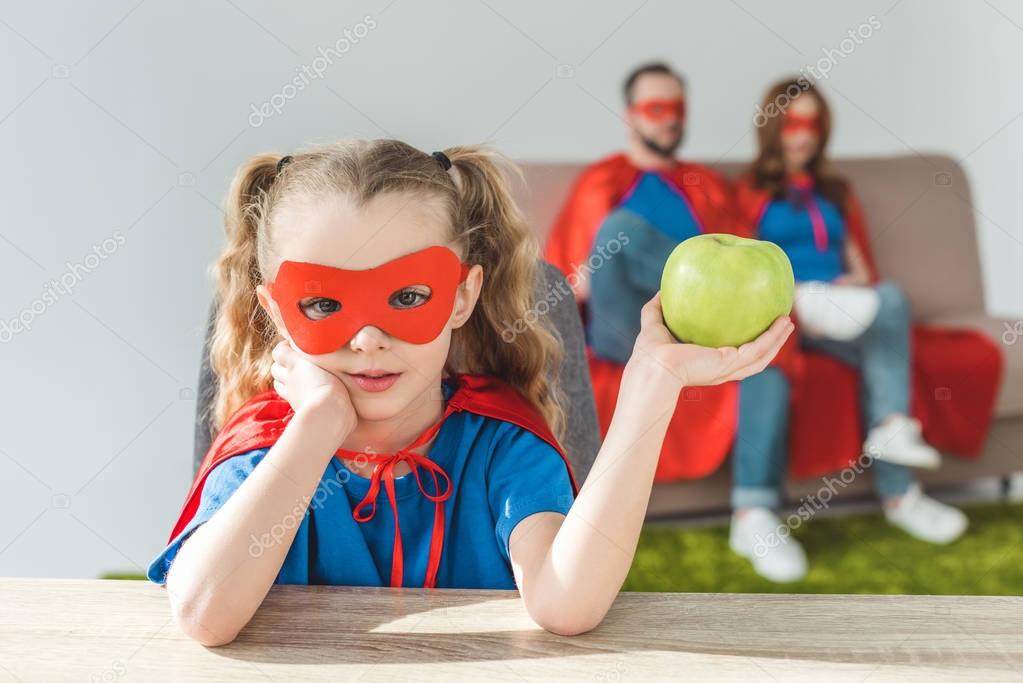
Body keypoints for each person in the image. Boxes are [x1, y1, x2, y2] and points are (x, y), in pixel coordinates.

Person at [149, 139, 792, 645]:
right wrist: (317, 423)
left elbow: (567, 603)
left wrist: (654, 382)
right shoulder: (263, 452)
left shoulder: (502, 449)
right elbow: (204, 615)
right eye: (323, 303)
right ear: (276, 313)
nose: (368, 338)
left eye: (408, 296)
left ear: (462, 296)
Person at [729, 79, 973, 582]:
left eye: (813, 123)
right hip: (783, 312)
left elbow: (861, 268)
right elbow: (740, 266)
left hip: (838, 308)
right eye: (793, 123)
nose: (804, 135)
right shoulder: (750, 192)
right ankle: (751, 512)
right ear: (773, 127)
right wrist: (792, 294)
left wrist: (848, 285)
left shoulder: (836, 192)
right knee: (767, 364)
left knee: (892, 302)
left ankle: (896, 465)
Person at [545, 62, 747, 482]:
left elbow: (742, 256)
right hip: (626, 328)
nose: (670, 119)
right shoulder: (601, 181)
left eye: (677, 108)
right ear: (631, 116)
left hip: (695, 326)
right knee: (620, 231)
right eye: (656, 109)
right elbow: (570, 282)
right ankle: (709, 286)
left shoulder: (704, 185)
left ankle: (710, 292)